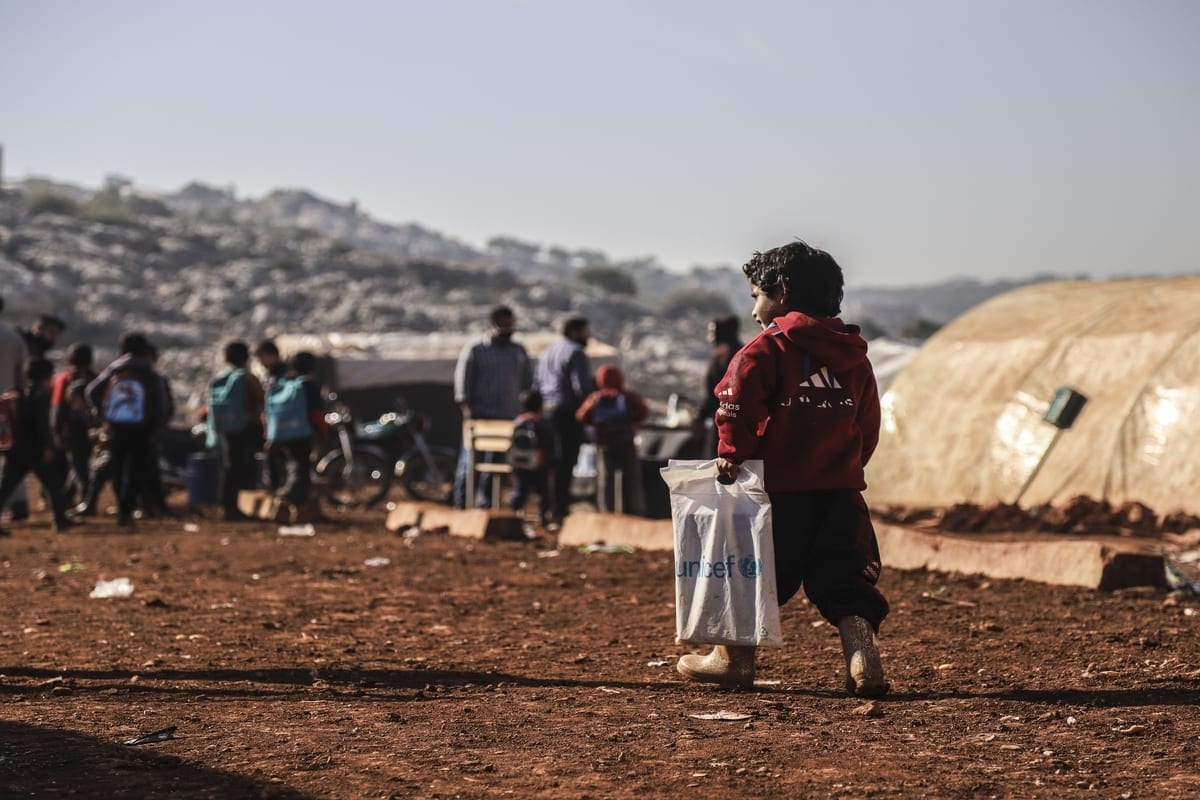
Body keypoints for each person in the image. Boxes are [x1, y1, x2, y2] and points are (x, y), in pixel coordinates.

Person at [676, 241, 888, 698]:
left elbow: (734, 409)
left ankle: (732, 662)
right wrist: (846, 467)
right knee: (846, 580)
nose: (754, 310)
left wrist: (732, 455)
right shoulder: (855, 356)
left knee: (753, 574)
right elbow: (867, 425)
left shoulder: (763, 351)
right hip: (841, 493)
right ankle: (863, 659)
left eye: (757, 295)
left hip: (777, 495)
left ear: (783, 292)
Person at [452, 306, 532, 509]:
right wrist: (468, 414)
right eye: (503, 325)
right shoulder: (476, 349)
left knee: (497, 466)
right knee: (470, 463)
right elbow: (462, 386)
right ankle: (461, 503)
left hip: (507, 418)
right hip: (480, 418)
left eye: (510, 325)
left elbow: (527, 384)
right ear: (492, 324)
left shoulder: (518, 351)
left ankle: (486, 505)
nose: (507, 329)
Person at [86, 332, 165, 526]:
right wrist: (155, 425)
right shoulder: (147, 371)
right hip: (141, 429)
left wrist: (102, 413)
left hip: (116, 427)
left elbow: (91, 391)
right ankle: (127, 510)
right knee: (136, 468)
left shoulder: (116, 368)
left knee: (117, 467)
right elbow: (161, 403)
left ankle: (121, 506)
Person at [0, 357, 78, 535]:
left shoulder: (19, 393)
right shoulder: (41, 395)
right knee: (54, 485)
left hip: (15, 450)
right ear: (47, 376)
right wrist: (48, 447)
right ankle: (60, 520)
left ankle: (61, 519)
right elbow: (42, 425)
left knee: (5, 489)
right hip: (35, 450)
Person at [534, 316, 594, 524]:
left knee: (549, 462)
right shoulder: (576, 352)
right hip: (567, 414)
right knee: (566, 462)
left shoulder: (547, 352)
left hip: (547, 411)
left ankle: (544, 509)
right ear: (575, 331)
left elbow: (536, 384)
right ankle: (560, 509)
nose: (589, 336)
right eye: (586, 331)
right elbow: (581, 388)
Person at [576, 365, 649, 516]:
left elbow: (581, 416)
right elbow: (644, 411)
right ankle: (635, 514)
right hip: (627, 443)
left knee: (606, 483)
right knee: (632, 482)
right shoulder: (628, 397)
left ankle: (606, 514)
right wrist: (631, 421)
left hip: (605, 445)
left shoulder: (595, 398)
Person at [266, 351, 327, 523]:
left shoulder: (284, 384)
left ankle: (299, 509)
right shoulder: (308, 386)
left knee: (291, 468)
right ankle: (286, 502)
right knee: (299, 471)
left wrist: (270, 436)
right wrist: (324, 431)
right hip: (301, 434)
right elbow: (317, 413)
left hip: (280, 434)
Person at [207, 341, 265, 522]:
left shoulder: (219, 379)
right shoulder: (247, 378)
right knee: (246, 469)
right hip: (246, 429)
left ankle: (227, 506)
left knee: (229, 468)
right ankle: (242, 508)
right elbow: (261, 402)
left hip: (225, 430)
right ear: (246, 358)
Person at [51, 343, 97, 505]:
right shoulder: (95, 378)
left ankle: (86, 500)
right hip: (92, 429)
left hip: (71, 430)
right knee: (79, 464)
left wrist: (56, 430)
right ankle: (67, 497)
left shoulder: (64, 378)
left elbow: (57, 407)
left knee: (78, 465)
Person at [0, 296, 30, 522]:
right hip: (7, 406)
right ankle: (18, 501)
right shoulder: (13, 337)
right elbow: (23, 375)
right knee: (11, 455)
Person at [507, 389, 556, 526]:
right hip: (540, 464)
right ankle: (543, 516)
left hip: (521, 463)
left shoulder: (518, 422)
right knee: (543, 492)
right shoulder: (543, 423)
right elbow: (550, 444)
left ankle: (513, 512)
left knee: (521, 489)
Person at [698, 315, 742, 458]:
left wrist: (699, 419)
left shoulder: (722, 356)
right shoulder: (745, 352)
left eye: (712, 332)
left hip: (723, 423)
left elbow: (713, 394)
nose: (709, 338)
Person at [254, 339, 289, 489]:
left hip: (283, 426)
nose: (261, 363)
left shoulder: (285, 375)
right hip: (273, 425)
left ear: (272, 355)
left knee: (283, 463)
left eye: (262, 358)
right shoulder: (269, 375)